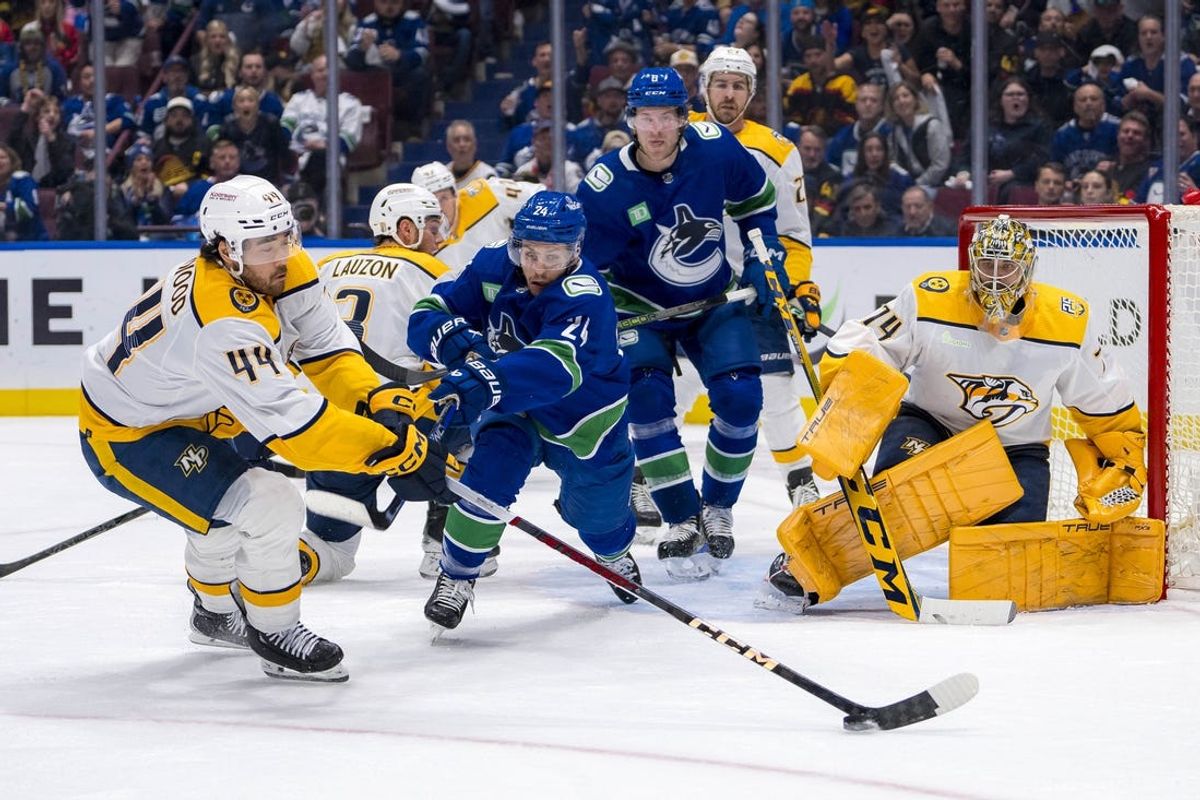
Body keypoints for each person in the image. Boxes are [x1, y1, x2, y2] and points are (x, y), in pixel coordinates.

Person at [78, 175, 454, 680]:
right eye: (262, 245)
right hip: (129, 433)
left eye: (285, 237)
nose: (280, 255)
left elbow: (323, 343)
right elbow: (300, 435)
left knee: (220, 506)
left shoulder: (278, 266)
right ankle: (275, 631)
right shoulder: (221, 322)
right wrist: (392, 450)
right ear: (225, 250)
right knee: (267, 501)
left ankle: (212, 613)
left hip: (198, 407)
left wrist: (377, 396)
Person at [759, 215, 1145, 612]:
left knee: (1004, 568)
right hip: (931, 426)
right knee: (898, 501)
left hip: (1016, 449)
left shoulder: (1068, 320)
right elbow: (869, 339)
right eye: (986, 266)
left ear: (1027, 269)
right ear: (971, 263)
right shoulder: (930, 296)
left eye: (1006, 267)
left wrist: (1124, 457)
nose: (995, 279)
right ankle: (805, 567)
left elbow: (1104, 401)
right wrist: (851, 390)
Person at [575, 67, 800, 579]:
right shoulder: (604, 187)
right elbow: (586, 272)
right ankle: (681, 518)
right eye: (645, 117)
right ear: (632, 119)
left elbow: (757, 205)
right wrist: (594, 320)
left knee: (743, 400)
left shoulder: (715, 146)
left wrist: (765, 258)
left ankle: (717, 507)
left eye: (666, 118)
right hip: (638, 309)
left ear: (683, 118)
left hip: (713, 296)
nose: (655, 129)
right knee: (649, 403)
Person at [407, 192, 641, 632]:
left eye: (551, 256)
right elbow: (429, 310)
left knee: (599, 518)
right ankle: (456, 575)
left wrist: (486, 380)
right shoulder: (494, 264)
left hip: (585, 419)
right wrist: (450, 338)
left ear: (576, 249)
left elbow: (557, 367)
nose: (536, 267)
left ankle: (612, 553)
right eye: (528, 252)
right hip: (512, 409)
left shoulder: (585, 294)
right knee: (486, 478)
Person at [306, 183, 484, 583]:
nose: (440, 237)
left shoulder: (325, 266)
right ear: (406, 230)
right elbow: (468, 348)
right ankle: (444, 543)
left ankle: (282, 561)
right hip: (406, 428)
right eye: (433, 225)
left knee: (330, 552)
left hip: (329, 426)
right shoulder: (435, 272)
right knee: (476, 400)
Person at [693, 45, 821, 507]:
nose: (728, 94)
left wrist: (801, 285)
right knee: (664, 385)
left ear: (750, 93)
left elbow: (793, 233)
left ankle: (799, 480)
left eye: (738, 86)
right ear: (704, 87)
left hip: (753, 288)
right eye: (721, 84)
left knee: (777, 387)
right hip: (680, 288)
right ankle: (642, 481)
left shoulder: (778, 150)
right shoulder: (672, 134)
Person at [410, 161, 543, 269]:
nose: (440, 209)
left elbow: (541, 195)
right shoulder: (418, 241)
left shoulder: (488, 194)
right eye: (431, 203)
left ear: (455, 194)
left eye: (444, 198)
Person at [444, 119, 497, 189]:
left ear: (474, 144)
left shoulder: (488, 175)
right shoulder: (443, 174)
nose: (462, 144)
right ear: (448, 146)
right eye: (456, 140)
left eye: (467, 139)